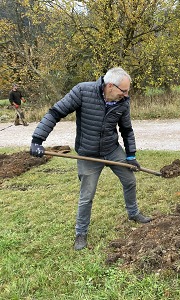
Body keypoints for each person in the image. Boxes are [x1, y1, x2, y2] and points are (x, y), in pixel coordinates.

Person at [29, 67, 152, 251]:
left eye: (127, 91)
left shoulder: (123, 102)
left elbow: (126, 130)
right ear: (110, 86)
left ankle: (133, 213)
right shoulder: (82, 91)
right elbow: (56, 112)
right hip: (88, 153)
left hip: (111, 150)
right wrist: (37, 140)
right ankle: (81, 232)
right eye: (123, 91)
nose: (126, 95)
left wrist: (131, 155)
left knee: (130, 181)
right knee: (87, 196)